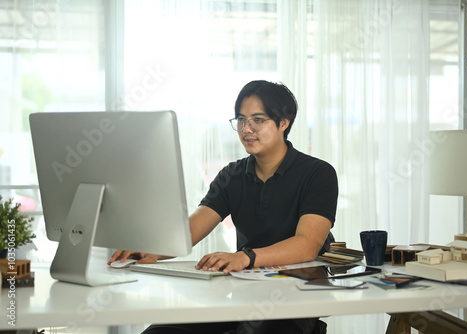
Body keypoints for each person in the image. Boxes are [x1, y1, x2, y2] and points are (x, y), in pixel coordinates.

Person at [109, 80, 338, 334]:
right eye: (241, 120)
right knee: (158, 333)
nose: (246, 129)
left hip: (296, 298)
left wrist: (245, 257)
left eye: (258, 120)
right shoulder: (232, 175)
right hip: (244, 294)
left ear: (283, 123)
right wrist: (149, 249)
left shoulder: (318, 174)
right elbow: (192, 229)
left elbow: (307, 245)